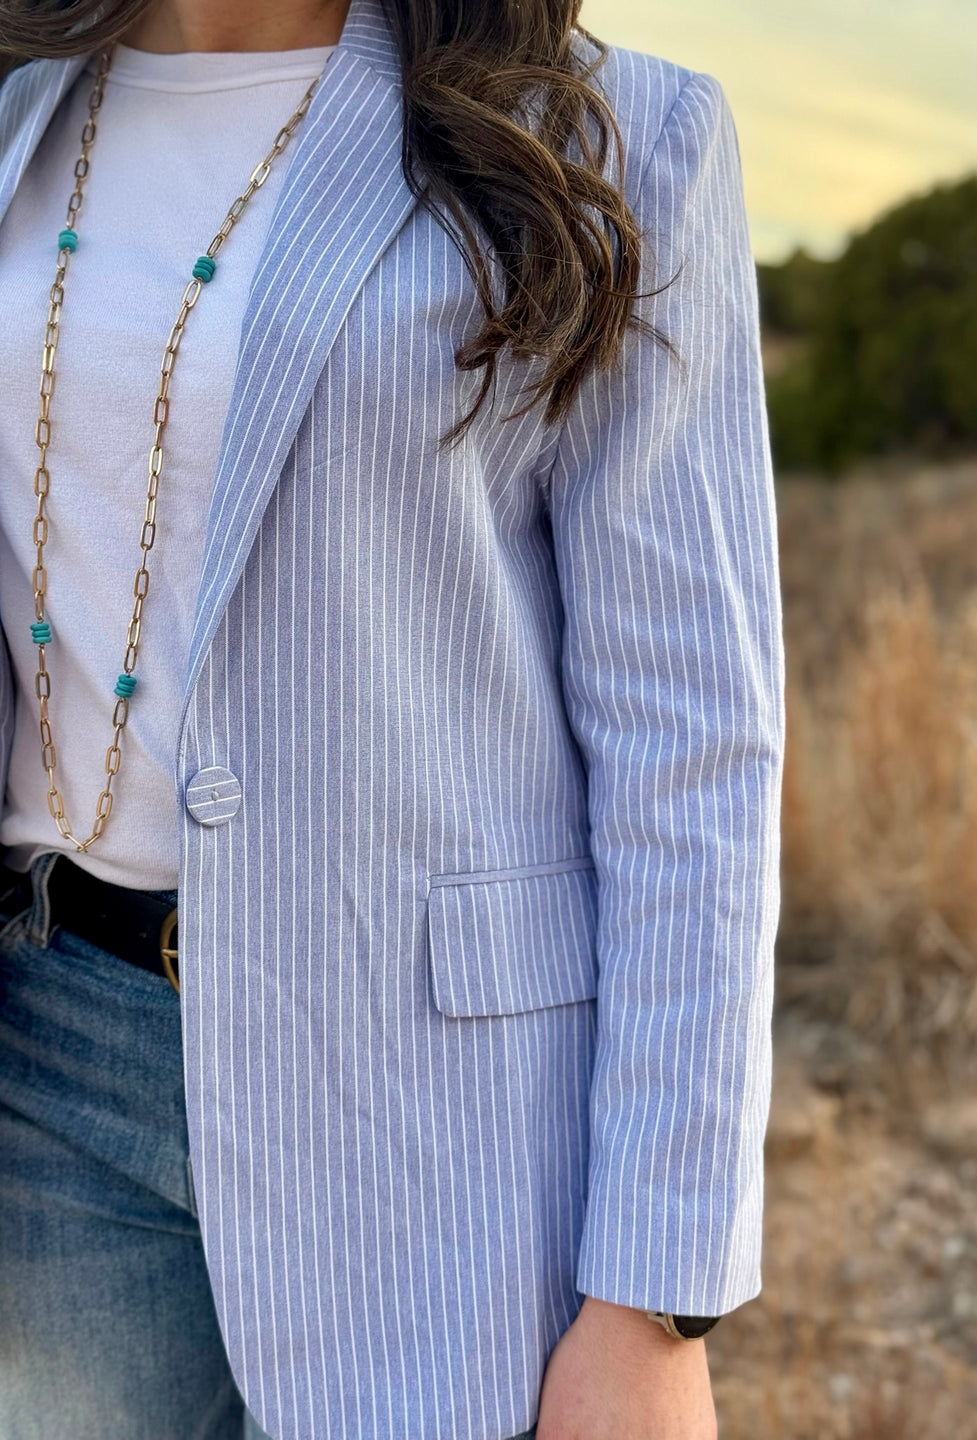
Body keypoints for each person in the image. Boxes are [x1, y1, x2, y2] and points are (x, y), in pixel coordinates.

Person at [0, 0, 785, 1435]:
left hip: (441, 1122)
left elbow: (692, 752)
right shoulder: (21, 107)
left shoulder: (617, 142)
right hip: (50, 1069)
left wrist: (655, 1300)